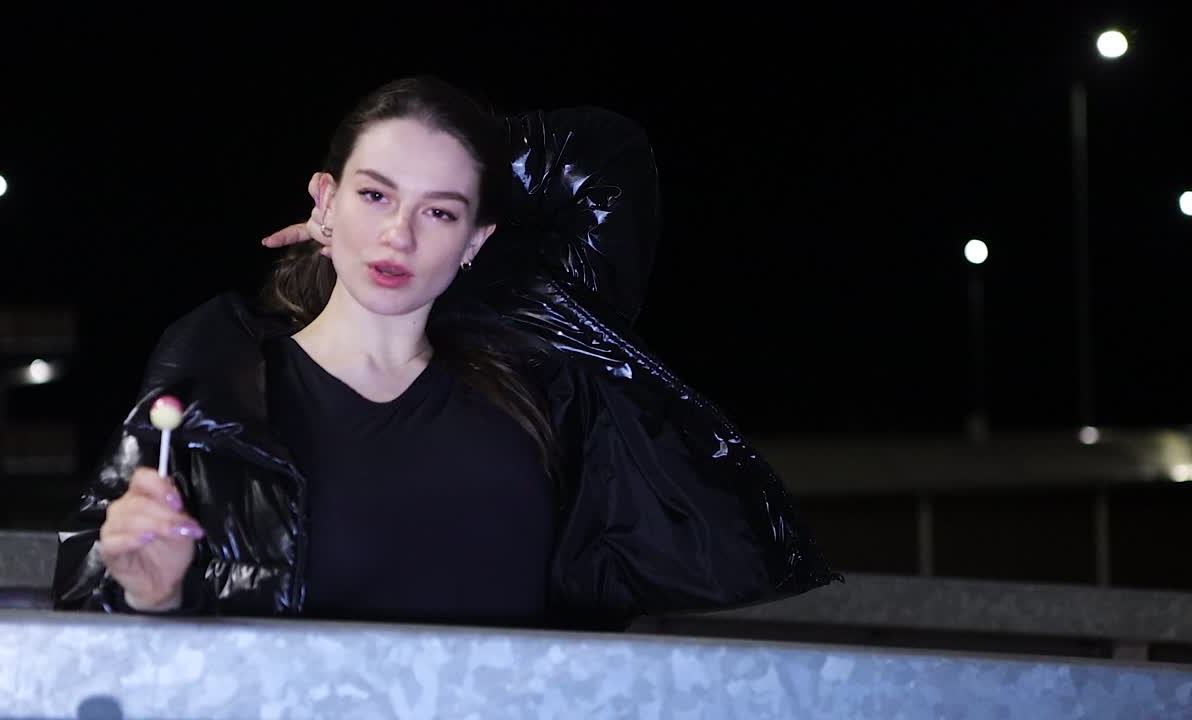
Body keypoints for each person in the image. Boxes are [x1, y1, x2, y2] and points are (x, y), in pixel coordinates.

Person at [52, 75, 840, 631]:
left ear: (477, 240)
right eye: (374, 195)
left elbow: (607, 156)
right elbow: (95, 598)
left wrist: (448, 148)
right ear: (322, 202)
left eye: (440, 210)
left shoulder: (537, 372)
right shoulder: (221, 384)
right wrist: (151, 597)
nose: (399, 235)